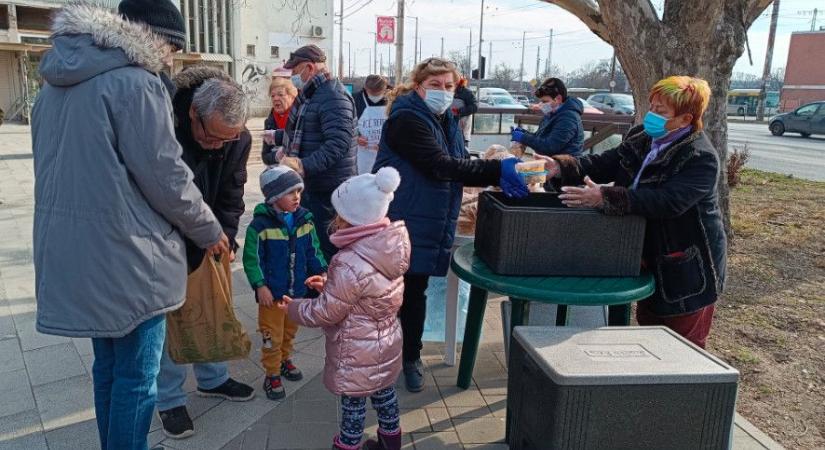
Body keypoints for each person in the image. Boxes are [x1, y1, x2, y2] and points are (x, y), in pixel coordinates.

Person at [31, 2, 229, 449]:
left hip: (76, 250)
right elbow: (166, 176)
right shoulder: (136, 83)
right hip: (129, 254)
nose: (172, 60)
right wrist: (208, 229)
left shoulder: (55, 84)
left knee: (108, 367)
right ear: (155, 38)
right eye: (173, 48)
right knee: (138, 378)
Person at [372, 57, 529, 393]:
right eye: (435, 85)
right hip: (404, 218)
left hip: (430, 216)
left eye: (448, 86)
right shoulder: (406, 119)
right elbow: (440, 165)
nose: (443, 92)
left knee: (416, 290)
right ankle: (394, 357)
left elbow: (457, 159)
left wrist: (490, 170)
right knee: (399, 292)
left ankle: (407, 356)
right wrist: (495, 171)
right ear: (418, 87)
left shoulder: (444, 118)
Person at [548, 76, 726, 349]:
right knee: (649, 328)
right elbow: (605, 163)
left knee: (681, 343)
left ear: (685, 119)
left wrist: (603, 197)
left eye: (661, 111)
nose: (651, 115)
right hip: (643, 252)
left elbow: (667, 202)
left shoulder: (699, 157)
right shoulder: (642, 136)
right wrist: (563, 167)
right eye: (651, 106)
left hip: (686, 264)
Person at [154, 66, 257, 439]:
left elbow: (233, 188)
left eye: (227, 140)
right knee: (172, 319)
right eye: (211, 137)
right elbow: (163, 190)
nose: (218, 146)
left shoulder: (235, 137)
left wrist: (227, 234)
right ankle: (168, 399)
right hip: (165, 236)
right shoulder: (163, 122)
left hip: (212, 233)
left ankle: (214, 379)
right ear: (193, 114)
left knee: (215, 307)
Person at [280, 167, 410, 450]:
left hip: (356, 351)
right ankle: (391, 444)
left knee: (353, 409)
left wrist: (295, 308)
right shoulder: (388, 249)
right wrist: (329, 284)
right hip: (386, 344)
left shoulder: (348, 261)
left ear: (349, 220)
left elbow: (327, 312)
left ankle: (348, 446)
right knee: (385, 397)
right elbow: (367, 291)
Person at [242, 166, 328, 400]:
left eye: (299, 191)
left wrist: (322, 271)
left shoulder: (305, 220)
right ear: (273, 197)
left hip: (296, 294)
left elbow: (313, 250)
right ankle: (271, 373)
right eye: (290, 192)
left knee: (290, 331)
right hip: (272, 296)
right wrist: (260, 285)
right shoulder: (260, 226)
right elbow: (252, 259)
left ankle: (284, 359)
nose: (297, 197)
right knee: (271, 335)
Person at [268, 44, 358, 261]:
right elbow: (309, 129)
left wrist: (302, 165)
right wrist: (279, 137)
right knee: (311, 246)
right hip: (314, 188)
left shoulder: (333, 96)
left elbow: (337, 143)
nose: (293, 78)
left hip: (328, 191)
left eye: (295, 72)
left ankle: (326, 291)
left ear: (309, 68)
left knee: (324, 251)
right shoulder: (312, 94)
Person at [511, 77, 584, 156]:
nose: (541, 105)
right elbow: (539, 137)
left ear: (558, 99)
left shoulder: (569, 118)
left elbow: (550, 147)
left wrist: (523, 137)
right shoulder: (551, 113)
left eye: (545, 101)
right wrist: (523, 133)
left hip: (565, 165)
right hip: (550, 162)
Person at [353, 74, 389, 174]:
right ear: (365, 88)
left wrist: (388, 143)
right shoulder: (355, 100)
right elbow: (346, 125)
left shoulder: (393, 99)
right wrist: (356, 136)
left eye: (378, 93)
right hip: (362, 154)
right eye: (372, 92)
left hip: (385, 154)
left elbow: (399, 127)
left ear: (385, 89)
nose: (375, 95)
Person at [262, 77, 298, 165]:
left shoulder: (300, 118)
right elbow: (265, 156)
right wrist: (277, 156)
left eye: (281, 95)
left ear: (292, 96)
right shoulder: (269, 122)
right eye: (273, 96)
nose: (275, 98)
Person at [451, 77, 478, 147]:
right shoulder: (448, 91)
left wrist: (459, 111)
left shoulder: (467, 92)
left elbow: (475, 107)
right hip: (450, 125)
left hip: (463, 126)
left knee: (463, 146)